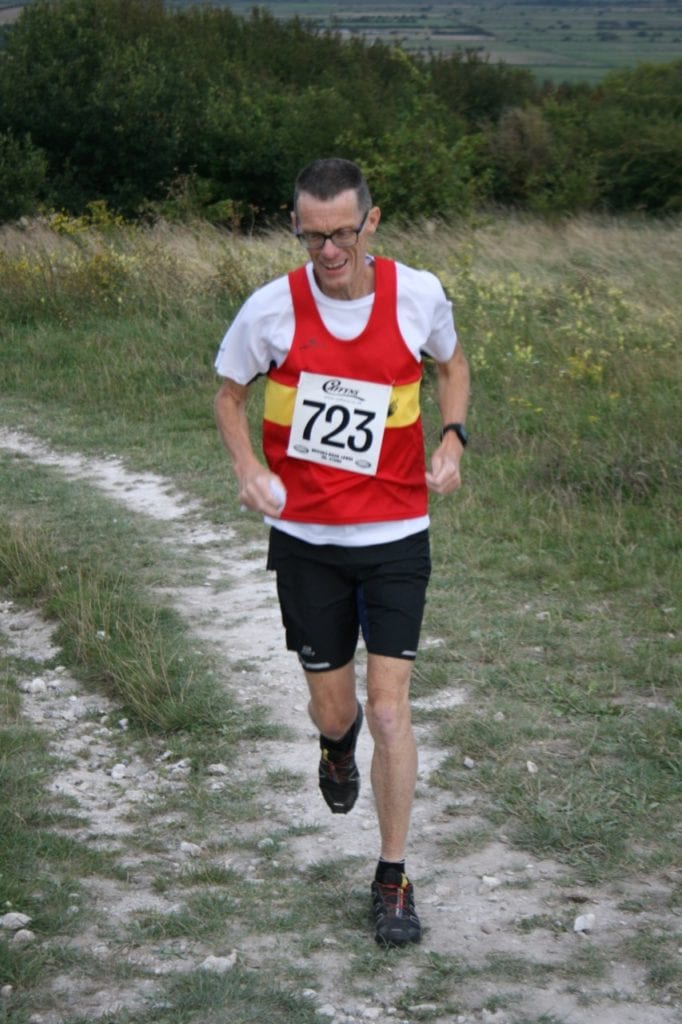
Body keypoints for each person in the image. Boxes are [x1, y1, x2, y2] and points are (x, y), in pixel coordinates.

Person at [214, 157, 469, 947]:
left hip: (396, 534)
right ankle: (334, 746)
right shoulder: (271, 309)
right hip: (309, 542)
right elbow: (229, 394)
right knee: (339, 709)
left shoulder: (417, 295)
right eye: (311, 235)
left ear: (371, 222)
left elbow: (452, 364)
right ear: (296, 226)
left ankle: (393, 878)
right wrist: (247, 467)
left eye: (342, 234)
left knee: (390, 709)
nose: (328, 251)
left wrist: (452, 439)